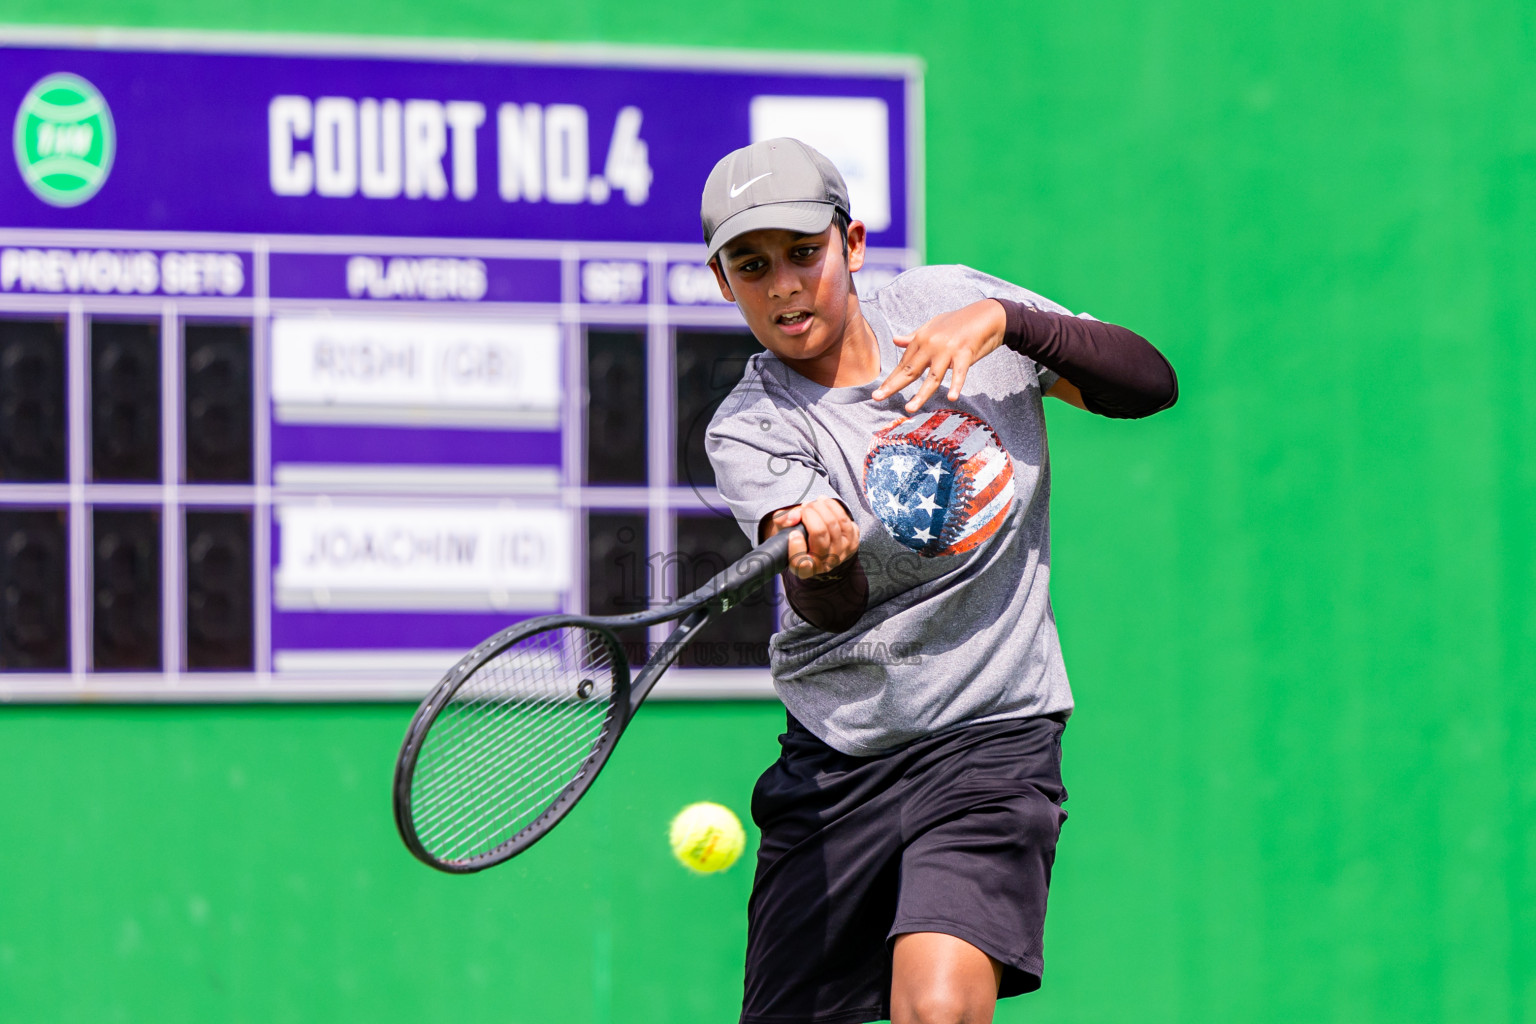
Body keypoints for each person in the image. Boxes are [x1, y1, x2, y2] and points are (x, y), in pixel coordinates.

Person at [701, 137, 1176, 1024]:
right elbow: (833, 606)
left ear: (853, 245)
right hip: (838, 759)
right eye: (752, 266)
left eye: (805, 252)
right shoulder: (750, 431)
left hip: (992, 734)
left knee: (939, 1009)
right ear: (725, 283)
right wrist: (819, 560)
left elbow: (1148, 385)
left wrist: (1008, 319)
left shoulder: (949, 303)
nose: (785, 285)